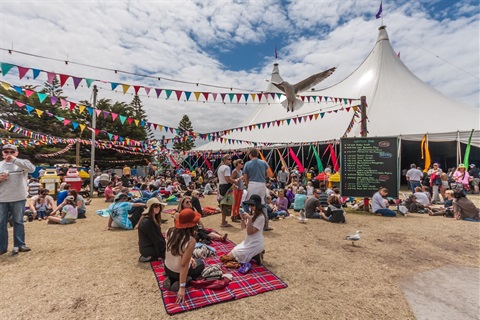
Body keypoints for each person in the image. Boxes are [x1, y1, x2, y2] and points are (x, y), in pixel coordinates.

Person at [0, 144, 36, 255]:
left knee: (18, 221)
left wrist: (15, 160)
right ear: (2, 154)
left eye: (12, 152)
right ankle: (2, 247)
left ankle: (20, 244)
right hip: (2, 198)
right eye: (6, 152)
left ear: (16, 153)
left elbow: (32, 169)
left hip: (19, 198)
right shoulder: (0, 165)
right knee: (1, 223)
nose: (9, 154)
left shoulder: (21, 163)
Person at [164, 208, 205, 304]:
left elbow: (177, 251)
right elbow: (184, 265)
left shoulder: (169, 231)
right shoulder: (190, 241)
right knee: (200, 264)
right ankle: (182, 281)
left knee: (191, 261)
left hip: (167, 268)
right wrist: (182, 288)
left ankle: (172, 279)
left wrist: (189, 258)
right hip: (178, 271)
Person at [221, 194, 265, 269]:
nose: (251, 207)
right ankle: (256, 255)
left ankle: (257, 253)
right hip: (248, 242)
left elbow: (249, 232)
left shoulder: (261, 218)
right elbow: (243, 227)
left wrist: (249, 219)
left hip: (255, 243)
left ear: (257, 206)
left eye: (252, 205)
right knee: (231, 254)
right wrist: (242, 219)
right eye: (250, 205)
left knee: (234, 258)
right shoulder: (252, 214)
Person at [243, 148, 272, 231]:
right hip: (261, 184)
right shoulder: (263, 163)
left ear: (250, 155)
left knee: (248, 203)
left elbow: (245, 176)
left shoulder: (247, 164)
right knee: (263, 204)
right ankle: (266, 224)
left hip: (252, 184)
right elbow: (269, 174)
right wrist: (263, 177)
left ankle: (248, 221)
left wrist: (248, 184)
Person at [138, 198, 167, 262]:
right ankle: (152, 257)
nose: (158, 208)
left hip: (151, 246)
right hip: (149, 248)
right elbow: (156, 239)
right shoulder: (147, 222)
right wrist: (164, 253)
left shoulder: (152, 219)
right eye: (155, 206)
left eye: (159, 205)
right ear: (150, 208)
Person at [217, 155, 236, 228]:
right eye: (229, 159)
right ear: (225, 160)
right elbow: (227, 178)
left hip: (221, 186)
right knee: (226, 204)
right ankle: (223, 221)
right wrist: (234, 181)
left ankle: (223, 220)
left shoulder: (220, 168)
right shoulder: (227, 168)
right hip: (226, 186)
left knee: (223, 204)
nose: (230, 161)